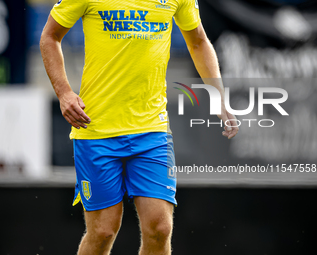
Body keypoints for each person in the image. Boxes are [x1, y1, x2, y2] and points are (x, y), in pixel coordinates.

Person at [40, 0, 239, 254]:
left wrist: (218, 94)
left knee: (160, 228)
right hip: (96, 129)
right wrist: (64, 93)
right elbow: (50, 36)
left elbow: (198, 41)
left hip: (152, 131)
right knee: (102, 232)